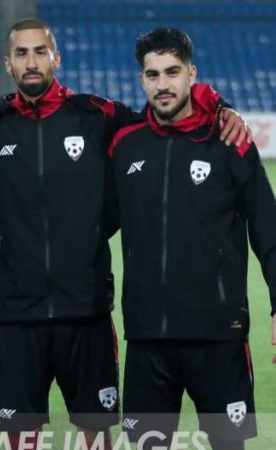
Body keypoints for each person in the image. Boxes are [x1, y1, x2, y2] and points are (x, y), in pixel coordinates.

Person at [0, 19, 251, 450]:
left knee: (96, 435)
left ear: (56, 58)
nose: (31, 61)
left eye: (40, 51)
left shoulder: (99, 116)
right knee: (19, 437)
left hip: (86, 307)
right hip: (18, 310)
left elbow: (167, 113)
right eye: (21, 53)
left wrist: (220, 105)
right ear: (8, 62)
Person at [108, 27, 276, 450]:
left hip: (218, 335)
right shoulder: (125, 145)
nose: (163, 85)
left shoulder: (229, 141)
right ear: (141, 79)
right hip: (148, 338)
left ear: (191, 75)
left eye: (172, 72)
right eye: (152, 74)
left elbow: (268, 225)